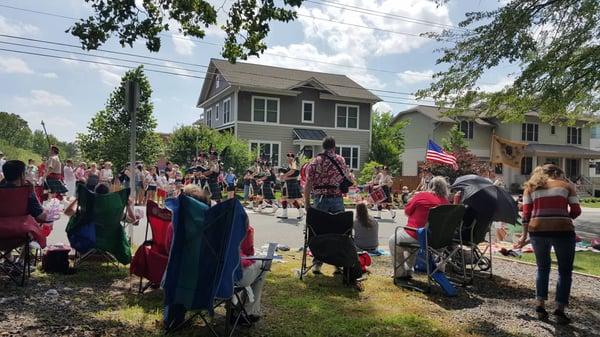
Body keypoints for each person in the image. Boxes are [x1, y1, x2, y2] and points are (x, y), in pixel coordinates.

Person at [514, 164, 581, 325]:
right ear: (558, 173)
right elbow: (576, 210)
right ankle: (559, 310)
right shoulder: (567, 186)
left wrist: (524, 236)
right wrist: (564, 216)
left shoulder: (531, 187)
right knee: (565, 271)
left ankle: (540, 306)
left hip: (538, 231)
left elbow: (526, 215)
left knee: (542, 268)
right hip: (563, 231)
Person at [304, 136, 354, 277]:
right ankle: (338, 265)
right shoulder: (340, 160)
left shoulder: (315, 162)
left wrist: (307, 204)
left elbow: (308, 185)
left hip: (320, 200)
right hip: (337, 199)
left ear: (323, 147)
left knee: (319, 231)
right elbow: (348, 178)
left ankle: (317, 264)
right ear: (334, 147)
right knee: (339, 231)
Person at [388, 176, 450, 280]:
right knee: (411, 244)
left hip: (418, 235)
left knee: (392, 241)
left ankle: (400, 272)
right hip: (437, 240)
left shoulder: (422, 196)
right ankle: (408, 269)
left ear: (430, 186)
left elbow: (407, 212)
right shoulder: (446, 203)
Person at [278, 152, 304, 220]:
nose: (289, 157)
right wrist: (282, 175)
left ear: (293, 157)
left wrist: (284, 175)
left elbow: (293, 171)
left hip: (291, 183)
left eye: (290, 156)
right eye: (288, 156)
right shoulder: (289, 164)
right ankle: (284, 214)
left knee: (291, 200)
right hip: (287, 183)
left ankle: (301, 212)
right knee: (284, 198)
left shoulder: (294, 163)